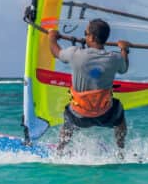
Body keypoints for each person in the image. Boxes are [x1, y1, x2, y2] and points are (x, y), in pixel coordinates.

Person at [48, 18, 130, 156]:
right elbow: (124, 68)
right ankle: (121, 150)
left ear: (91, 37)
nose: (85, 35)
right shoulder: (114, 58)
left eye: (85, 33)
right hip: (106, 114)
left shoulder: (75, 53)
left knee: (68, 115)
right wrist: (124, 49)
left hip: (78, 115)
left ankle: (60, 150)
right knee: (119, 114)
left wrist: (52, 38)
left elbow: (56, 52)